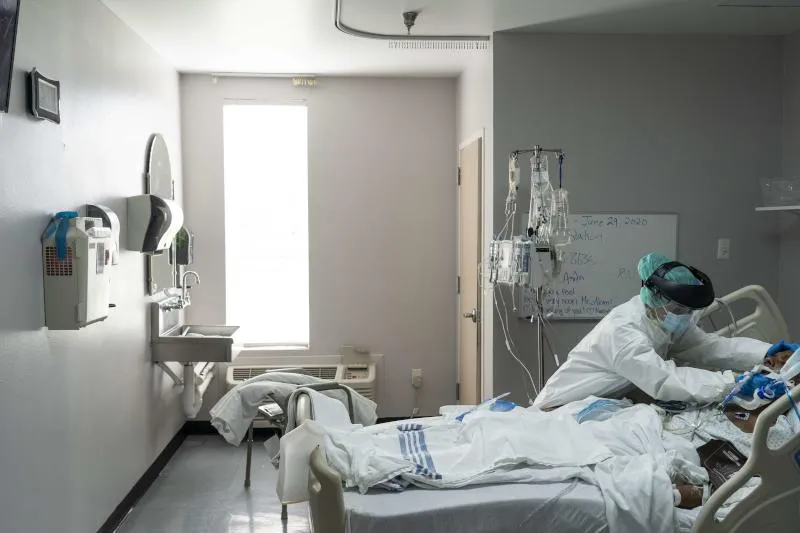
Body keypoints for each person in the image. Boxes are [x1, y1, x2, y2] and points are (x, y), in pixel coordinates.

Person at [534, 253, 785, 410]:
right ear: (655, 298)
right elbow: (665, 379)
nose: (685, 316)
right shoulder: (622, 332)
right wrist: (734, 384)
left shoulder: (663, 321)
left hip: (602, 402)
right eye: (679, 309)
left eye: (690, 310)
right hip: (563, 407)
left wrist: (767, 352)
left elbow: (709, 346)